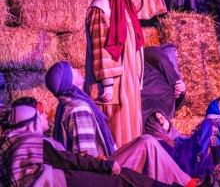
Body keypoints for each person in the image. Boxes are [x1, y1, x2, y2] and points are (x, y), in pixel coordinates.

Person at [45, 60, 203, 187]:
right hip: (99, 174)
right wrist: (109, 164)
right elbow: (87, 158)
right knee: (148, 144)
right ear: (69, 80)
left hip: (100, 165)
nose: (76, 69)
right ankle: (188, 184)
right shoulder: (78, 110)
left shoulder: (68, 105)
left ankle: (182, 182)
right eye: (71, 68)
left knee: (146, 141)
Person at [85, 0, 176, 147]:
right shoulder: (100, 9)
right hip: (113, 83)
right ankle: (120, 166)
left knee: (130, 123)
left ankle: (132, 163)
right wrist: (107, 84)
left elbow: (142, 3)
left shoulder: (121, 4)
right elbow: (101, 48)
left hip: (127, 78)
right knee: (117, 126)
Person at [0, 96, 182, 187]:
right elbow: (70, 160)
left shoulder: (17, 142)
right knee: (144, 147)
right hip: (70, 174)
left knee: (145, 144)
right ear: (30, 121)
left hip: (75, 168)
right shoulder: (78, 109)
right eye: (40, 112)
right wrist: (103, 165)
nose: (45, 114)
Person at [142, 44, 186, 128]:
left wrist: (181, 89)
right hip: (153, 100)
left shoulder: (169, 75)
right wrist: (177, 82)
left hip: (161, 103)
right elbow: (161, 59)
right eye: (174, 51)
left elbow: (178, 104)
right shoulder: (150, 52)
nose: (177, 55)